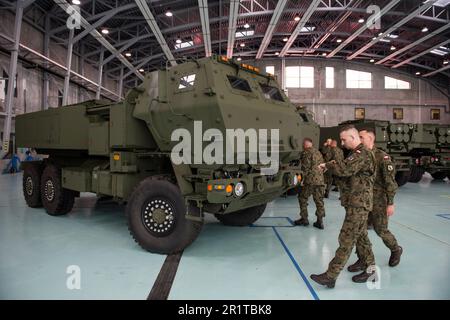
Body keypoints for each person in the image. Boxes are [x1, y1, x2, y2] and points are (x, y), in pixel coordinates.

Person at [310, 125, 376, 288]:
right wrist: (330, 165)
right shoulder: (355, 154)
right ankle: (370, 269)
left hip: (359, 204)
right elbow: (346, 168)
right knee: (361, 238)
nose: (342, 142)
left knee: (346, 238)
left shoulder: (362, 154)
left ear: (353, 138)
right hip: (356, 203)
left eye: (344, 139)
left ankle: (331, 276)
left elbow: (345, 169)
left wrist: (329, 165)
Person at [347, 129, 403, 273]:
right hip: (363, 201)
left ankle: (396, 249)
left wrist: (390, 203)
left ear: (370, 139)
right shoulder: (359, 156)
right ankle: (363, 259)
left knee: (381, 230)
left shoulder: (382, 158)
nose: (359, 139)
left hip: (379, 201)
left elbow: (390, 183)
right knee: (360, 231)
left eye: (361, 137)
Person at [295, 138, 326, 229]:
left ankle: (304, 219)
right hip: (320, 180)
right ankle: (320, 221)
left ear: (305, 144)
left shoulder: (305, 153)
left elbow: (304, 168)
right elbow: (323, 166)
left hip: (310, 181)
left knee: (302, 198)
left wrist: (300, 180)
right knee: (319, 200)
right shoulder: (318, 152)